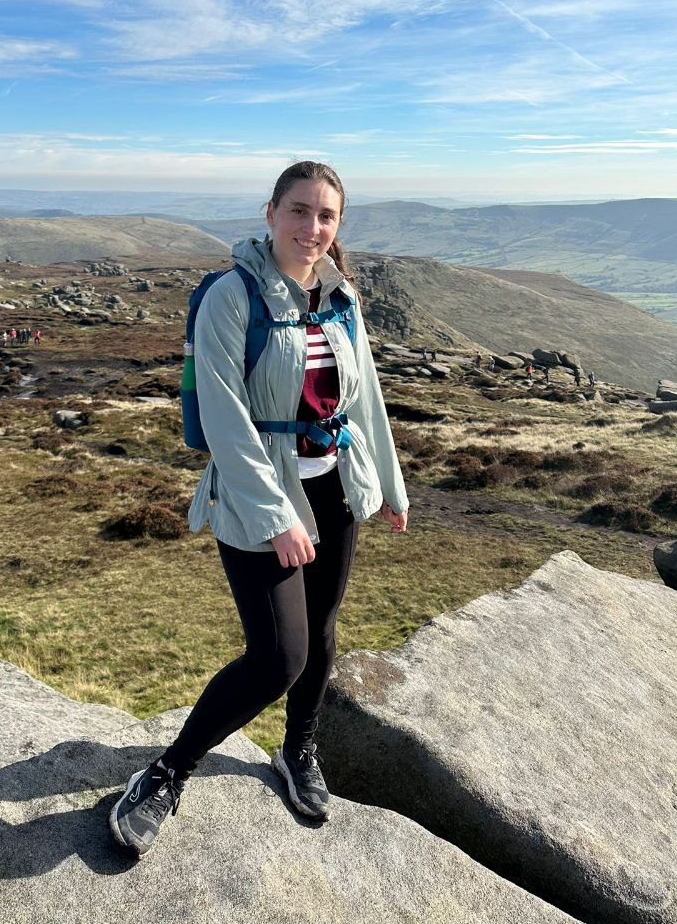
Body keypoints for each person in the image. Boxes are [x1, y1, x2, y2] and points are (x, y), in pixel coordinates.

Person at [110, 160, 409, 858]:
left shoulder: (342, 298)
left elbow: (365, 400)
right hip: (259, 496)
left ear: (339, 226)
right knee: (279, 655)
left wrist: (390, 488)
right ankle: (166, 771)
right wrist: (277, 514)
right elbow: (225, 417)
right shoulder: (231, 297)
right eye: (299, 210)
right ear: (270, 212)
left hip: (335, 486)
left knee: (325, 630)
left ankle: (297, 748)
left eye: (326, 215)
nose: (312, 227)